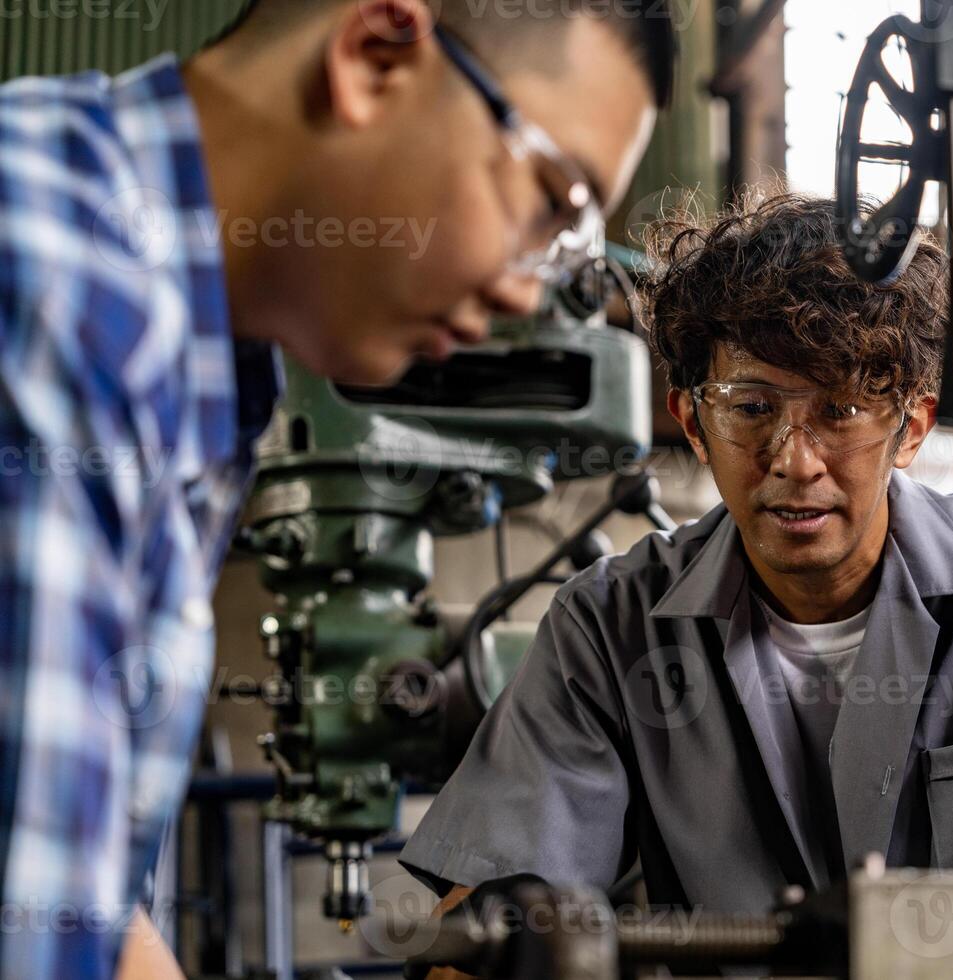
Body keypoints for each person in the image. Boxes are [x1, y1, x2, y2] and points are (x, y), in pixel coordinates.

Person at [401, 194, 953, 945]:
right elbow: (487, 920)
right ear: (691, 420)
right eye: (751, 408)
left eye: (840, 409)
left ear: (912, 426)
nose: (795, 459)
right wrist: (491, 943)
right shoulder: (606, 630)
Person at [0, 1, 674, 976]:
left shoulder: (196, 361)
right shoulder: (60, 295)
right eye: (552, 200)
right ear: (375, 54)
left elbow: (81, 907)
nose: (531, 290)